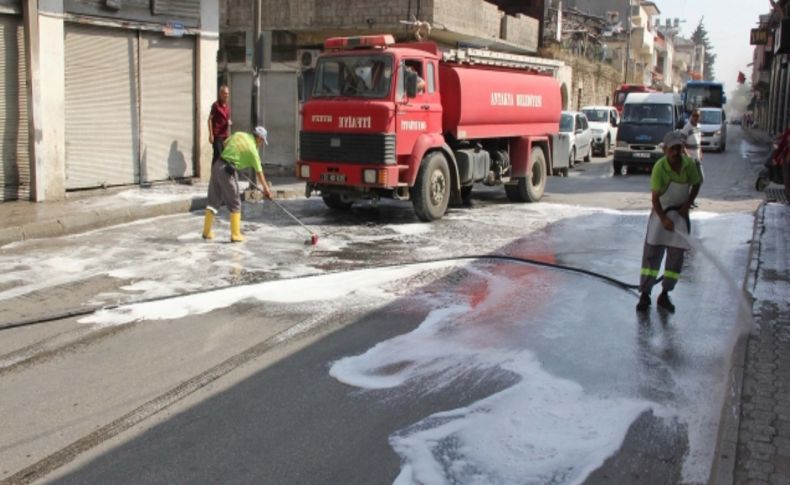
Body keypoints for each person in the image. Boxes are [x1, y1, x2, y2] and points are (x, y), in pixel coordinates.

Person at [636, 130, 702, 313]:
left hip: (679, 217)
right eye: (672, 149)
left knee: (675, 260)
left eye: (678, 148)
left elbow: (696, 184)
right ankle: (645, 294)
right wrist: (664, 218)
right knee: (651, 256)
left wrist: (687, 204)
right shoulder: (660, 167)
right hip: (660, 215)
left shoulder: (689, 165)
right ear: (665, 150)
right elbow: (655, 198)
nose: (675, 152)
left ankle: (665, 294)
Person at [202, 126, 273, 243]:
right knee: (235, 202)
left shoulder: (239, 134)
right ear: (259, 138)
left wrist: (234, 158)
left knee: (213, 201)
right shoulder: (253, 151)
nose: (261, 144)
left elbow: (225, 144)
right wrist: (267, 191)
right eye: (262, 141)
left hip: (217, 165)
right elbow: (260, 174)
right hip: (227, 172)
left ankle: (206, 232)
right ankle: (235, 235)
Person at [208, 85, 231, 164]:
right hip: (217, 135)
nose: (227, 95)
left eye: (228, 93)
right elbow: (210, 120)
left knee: (225, 157)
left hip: (225, 136)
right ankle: (214, 174)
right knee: (217, 156)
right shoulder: (216, 105)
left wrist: (229, 122)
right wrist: (211, 135)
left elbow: (227, 119)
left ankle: (222, 175)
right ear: (220, 94)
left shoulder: (227, 106)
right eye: (225, 93)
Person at [681, 109, 704, 185]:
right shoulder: (687, 127)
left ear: (700, 117)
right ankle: (687, 195)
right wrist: (687, 155)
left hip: (697, 158)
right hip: (689, 159)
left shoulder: (699, 127)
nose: (695, 117)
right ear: (691, 116)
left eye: (697, 116)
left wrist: (700, 152)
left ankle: (691, 195)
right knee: (690, 180)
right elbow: (682, 143)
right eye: (694, 115)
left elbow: (699, 141)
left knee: (700, 178)